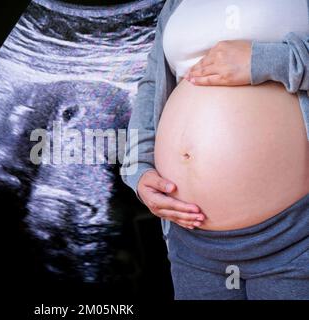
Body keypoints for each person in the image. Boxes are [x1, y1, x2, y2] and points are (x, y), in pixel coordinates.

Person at [121, 0, 309, 299]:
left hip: (295, 237)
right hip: (191, 242)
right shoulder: (176, 4)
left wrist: (266, 60)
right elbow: (152, 86)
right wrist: (138, 169)